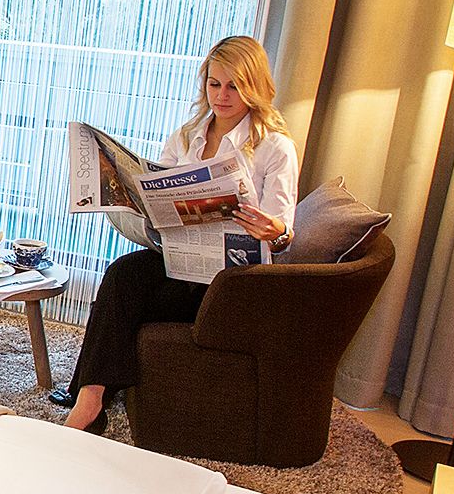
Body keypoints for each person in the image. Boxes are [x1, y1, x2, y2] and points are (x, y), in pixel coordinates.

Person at [58, 35, 298, 433]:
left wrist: (276, 231)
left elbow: (282, 230)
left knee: (126, 301)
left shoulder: (275, 147)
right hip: (179, 256)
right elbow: (158, 185)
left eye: (234, 85)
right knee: (122, 275)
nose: (222, 95)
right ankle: (91, 399)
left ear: (254, 87)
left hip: (228, 278)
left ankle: (91, 392)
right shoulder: (188, 136)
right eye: (214, 83)